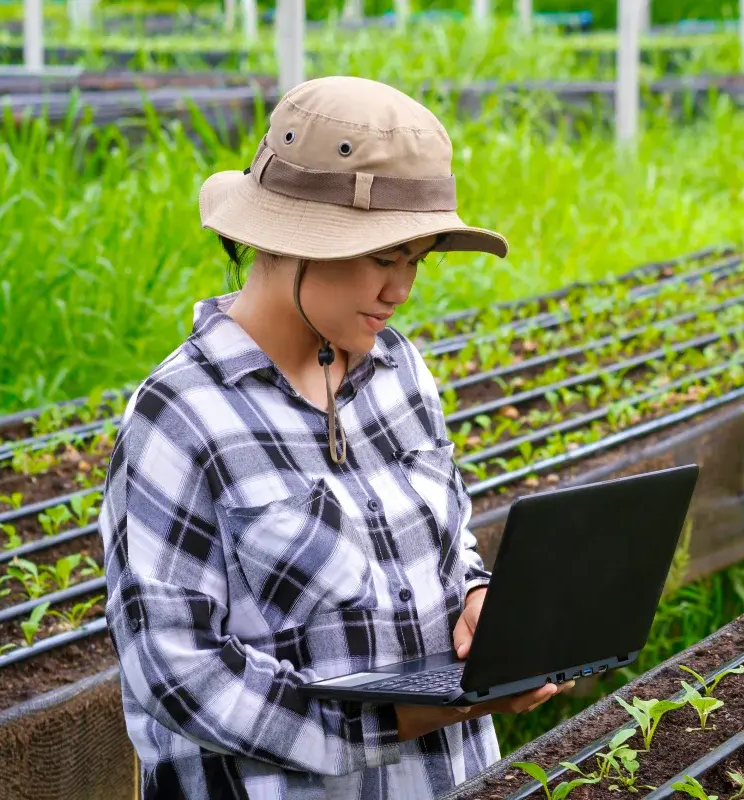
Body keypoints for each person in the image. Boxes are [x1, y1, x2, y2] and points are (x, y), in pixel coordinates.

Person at [99, 75, 572, 800]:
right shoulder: (184, 417)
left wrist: (477, 596)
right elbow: (179, 674)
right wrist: (389, 722)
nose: (401, 290)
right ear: (293, 241)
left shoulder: (398, 368)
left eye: (415, 259)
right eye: (383, 259)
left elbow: (445, 538)